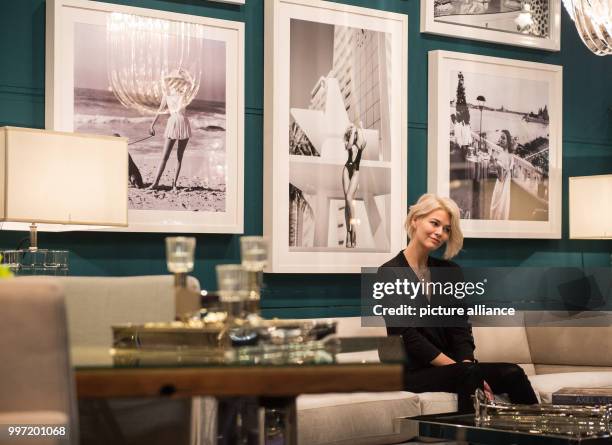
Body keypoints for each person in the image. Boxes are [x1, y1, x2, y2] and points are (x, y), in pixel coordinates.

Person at [380, 194, 538, 413]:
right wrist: (460, 367)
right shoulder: (389, 272)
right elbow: (407, 336)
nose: (440, 233)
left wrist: (465, 361)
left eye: (446, 229)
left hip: (455, 368)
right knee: (468, 374)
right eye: (434, 223)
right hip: (411, 372)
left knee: (514, 372)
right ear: (415, 219)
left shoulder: (450, 272)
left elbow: (460, 328)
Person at [147, 68, 193, 191]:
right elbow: (160, 110)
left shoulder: (183, 93)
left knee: (175, 156)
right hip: (177, 122)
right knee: (170, 156)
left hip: (180, 122)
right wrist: (152, 124)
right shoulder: (172, 94)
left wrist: (182, 72)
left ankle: (170, 184)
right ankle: (160, 183)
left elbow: (190, 83)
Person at [342, 123, 367, 248]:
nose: (354, 132)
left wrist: (359, 128)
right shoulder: (348, 142)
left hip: (356, 172)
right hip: (346, 170)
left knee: (349, 199)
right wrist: (352, 131)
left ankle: (354, 230)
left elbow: (364, 141)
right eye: (352, 131)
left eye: (354, 131)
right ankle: (348, 232)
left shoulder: (361, 144)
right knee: (347, 202)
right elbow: (349, 145)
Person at [489, 129, 514, 220]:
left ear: (508, 141)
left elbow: (501, 178)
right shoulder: (509, 154)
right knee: (502, 206)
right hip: (505, 186)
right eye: (500, 137)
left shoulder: (504, 156)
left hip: (501, 186)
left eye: (503, 138)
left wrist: (494, 162)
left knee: (496, 206)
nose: (501, 140)